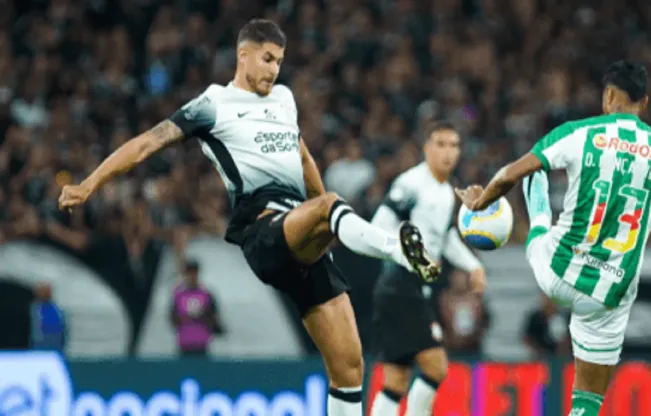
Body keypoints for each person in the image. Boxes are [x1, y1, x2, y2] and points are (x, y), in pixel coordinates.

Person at [58, 19, 440, 416]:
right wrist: (90, 183)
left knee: (349, 369)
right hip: (263, 231)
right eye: (268, 58)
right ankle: (397, 248)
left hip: (301, 231)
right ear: (244, 55)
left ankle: (364, 235)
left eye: (280, 61)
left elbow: (303, 157)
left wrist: (327, 219)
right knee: (330, 206)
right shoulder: (213, 104)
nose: (275, 69)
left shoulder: (284, 100)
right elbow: (147, 143)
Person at [456, 60, 651, 416]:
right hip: (610, 293)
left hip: (559, 270)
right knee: (588, 402)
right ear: (646, 102)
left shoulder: (579, 133)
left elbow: (507, 175)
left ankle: (539, 223)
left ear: (608, 96)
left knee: (535, 179)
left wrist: (479, 201)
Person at [369, 122, 486, 416]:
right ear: (426, 149)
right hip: (400, 284)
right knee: (436, 366)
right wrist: (414, 255)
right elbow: (379, 225)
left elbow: (445, 238)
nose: (448, 152)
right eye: (441, 144)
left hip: (410, 288)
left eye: (454, 145)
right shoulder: (411, 183)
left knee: (396, 380)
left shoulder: (446, 192)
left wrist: (473, 266)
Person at [170, 259, 225, 357]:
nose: (191, 276)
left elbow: (215, 319)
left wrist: (202, 316)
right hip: (184, 345)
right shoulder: (178, 296)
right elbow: (172, 319)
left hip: (202, 345)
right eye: (189, 272)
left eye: (194, 272)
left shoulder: (207, 295)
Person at [29, 282, 66, 353]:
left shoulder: (57, 310)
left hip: (55, 347)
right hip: (38, 348)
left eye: (47, 291)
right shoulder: (34, 309)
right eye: (42, 291)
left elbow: (63, 330)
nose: (45, 294)